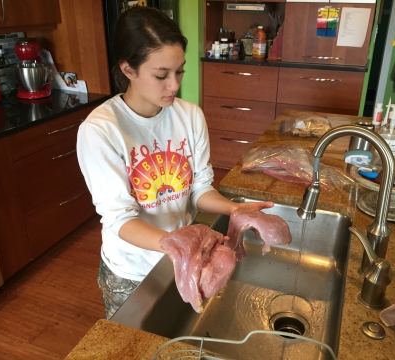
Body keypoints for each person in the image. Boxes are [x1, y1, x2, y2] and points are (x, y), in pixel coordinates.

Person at [76, 6, 273, 320]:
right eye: (161, 75)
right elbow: (119, 219)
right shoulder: (101, 130)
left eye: (179, 71)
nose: (174, 85)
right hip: (132, 270)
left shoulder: (189, 116)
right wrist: (176, 244)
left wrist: (234, 208)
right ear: (128, 69)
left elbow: (199, 190)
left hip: (183, 258)